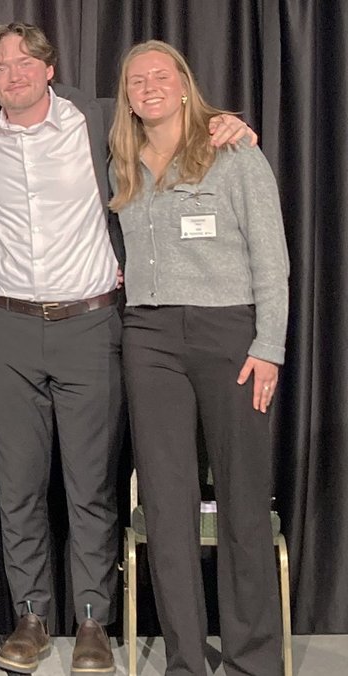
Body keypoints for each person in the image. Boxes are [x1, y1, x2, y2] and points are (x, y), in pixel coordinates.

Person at [0, 23, 257, 675]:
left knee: (90, 484)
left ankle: (92, 619)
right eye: (0, 67)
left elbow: (171, 118)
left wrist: (225, 122)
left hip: (90, 325)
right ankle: (31, 617)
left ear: (49, 68)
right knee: (18, 484)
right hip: (6, 328)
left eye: (25, 61)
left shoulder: (97, 119)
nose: (14, 74)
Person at [109, 40, 288, 675]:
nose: (149, 87)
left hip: (229, 335)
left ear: (185, 85)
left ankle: (253, 660)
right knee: (166, 503)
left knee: (243, 499)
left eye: (161, 76)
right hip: (149, 337)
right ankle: (185, 660)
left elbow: (271, 257)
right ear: (127, 97)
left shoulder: (233, 152)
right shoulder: (122, 163)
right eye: (137, 81)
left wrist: (269, 347)